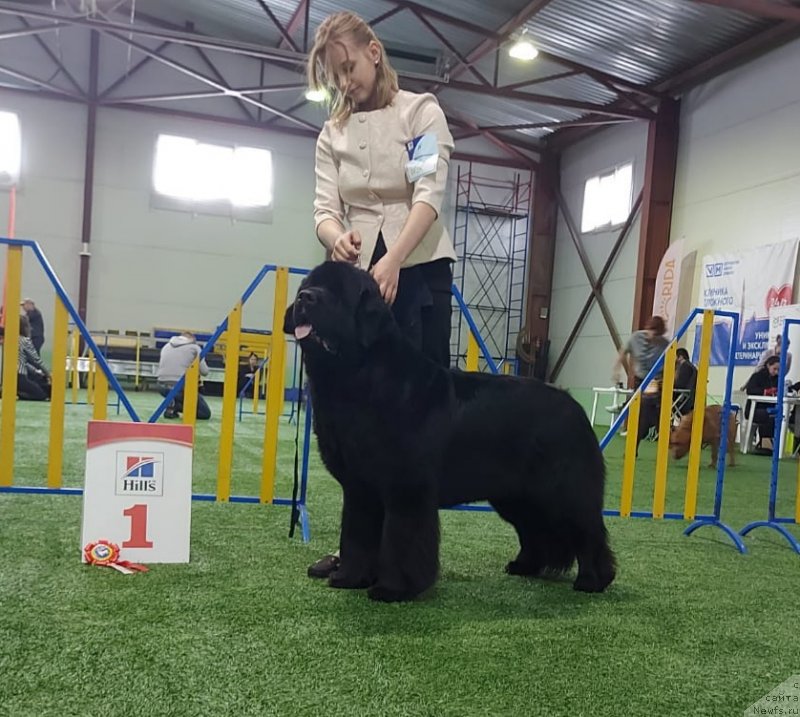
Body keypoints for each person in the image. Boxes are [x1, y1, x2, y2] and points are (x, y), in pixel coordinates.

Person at [305, 11, 457, 579]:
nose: (345, 83)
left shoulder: (420, 112)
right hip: (355, 288)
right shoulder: (332, 133)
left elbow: (428, 192)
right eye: (334, 76)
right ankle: (359, 553)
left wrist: (393, 260)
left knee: (412, 425)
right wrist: (335, 237)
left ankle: (408, 561)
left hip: (418, 273)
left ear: (373, 51)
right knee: (357, 423)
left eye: (348, 68)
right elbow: (324, 209)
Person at [156, 332, 211, 420]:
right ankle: (176, 406)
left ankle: (172, 404)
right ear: (192, 340)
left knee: (178, 395)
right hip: (181, 387)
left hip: (161, 386)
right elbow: (205, 371)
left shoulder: (166, 346)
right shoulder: (194, 348)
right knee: (204, 413)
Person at [613, 316, 670, 389]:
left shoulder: (664, 343)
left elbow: (671, 362)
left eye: (658, 336)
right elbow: (622, 353)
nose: (655, 338)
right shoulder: (636, 337)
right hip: (640, 378)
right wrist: (616, 371)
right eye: (653, 334)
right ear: (648, 329)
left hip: (657, 380)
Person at [744, 355, 780, 453]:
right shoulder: (757, 376)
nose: (776, 372)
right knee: (768, 416)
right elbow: (750, 390)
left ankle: (767, 443)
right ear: (768, 365)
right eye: (774, 369)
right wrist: (765, 392)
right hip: (753, 409)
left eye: (778, 370)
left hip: (769, 408)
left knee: (776, 416)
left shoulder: (778, 379)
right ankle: (765, 443)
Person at [17, 315, 50, 401]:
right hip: (20, 376)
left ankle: (17, 392)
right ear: (25, 327)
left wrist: (35, 371)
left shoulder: (10, 340)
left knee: (38, 383)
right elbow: (36, 360)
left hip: (11, 375)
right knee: (41, 395)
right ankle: (17, 393)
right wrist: (49, 374)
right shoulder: (25, 340)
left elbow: (23, 362)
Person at [674, 347, 698, 415]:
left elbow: (679, 385)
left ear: (680, 357)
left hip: (684, 401)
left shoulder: (685, 367)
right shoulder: (690, 366)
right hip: (689, 399)